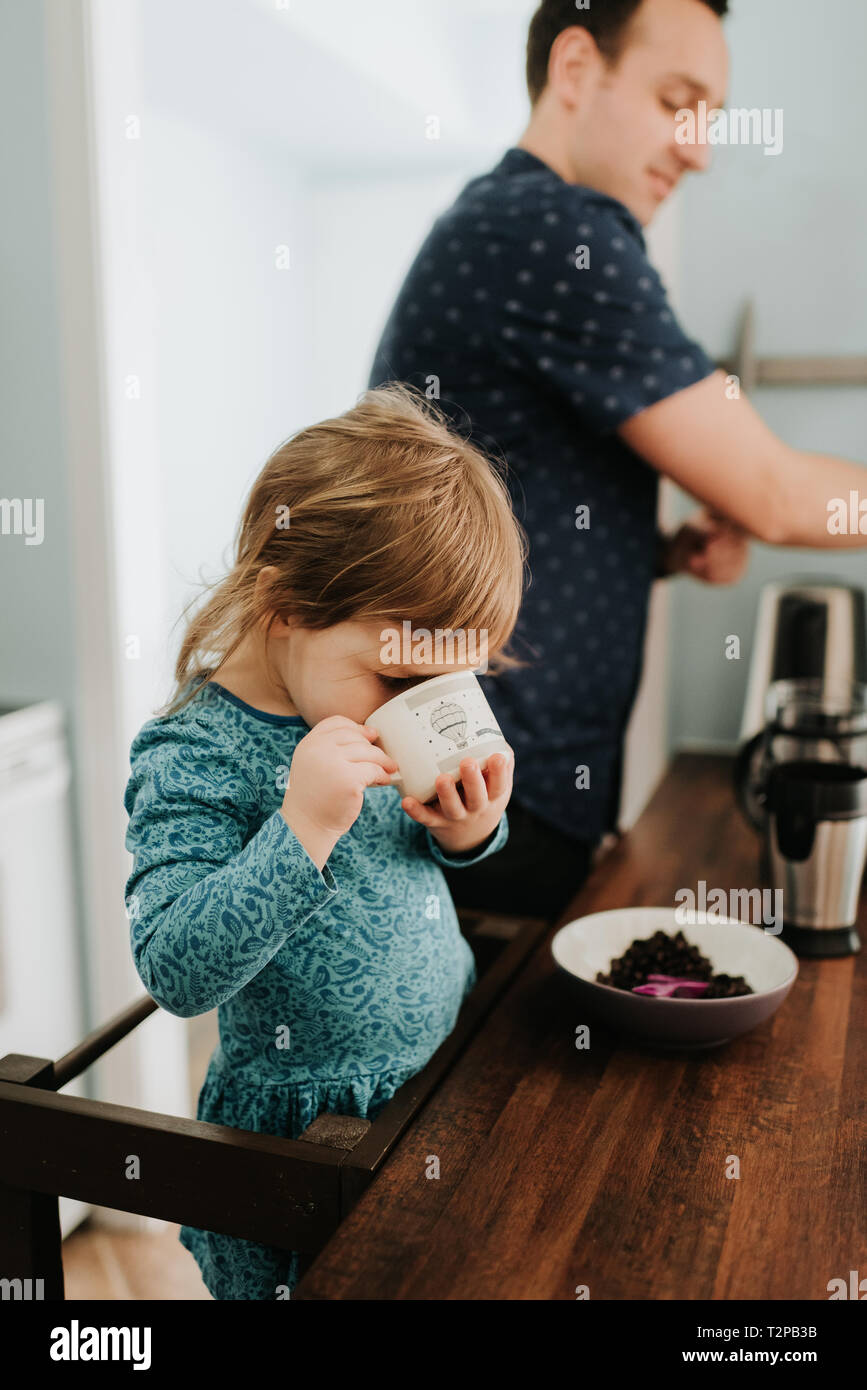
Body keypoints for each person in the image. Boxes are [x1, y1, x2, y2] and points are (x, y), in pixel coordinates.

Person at [369, 0, 867, 923]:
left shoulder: (504, 222)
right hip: (482, 798)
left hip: (474, 781)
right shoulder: (556, 234)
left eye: (711, 119)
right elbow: (777, 495)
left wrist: (657, 552)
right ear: (572, 70)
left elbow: (496, 506)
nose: (699, 150)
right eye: (678, 102)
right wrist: (753, 504)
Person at [123, 384, 527, 1299]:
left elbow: (416, 866)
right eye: (392, 676)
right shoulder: (196, 753)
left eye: (449, 680)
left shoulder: (364, 697)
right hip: (293, 1143)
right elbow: (175, 970)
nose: (414, 710)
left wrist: (469, 831)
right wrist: (299, 827)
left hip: (437, 1087)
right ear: (285, 607)